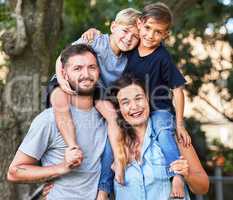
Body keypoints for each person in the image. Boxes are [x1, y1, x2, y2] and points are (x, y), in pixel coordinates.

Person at [70, 2, 191, 197]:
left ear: (165, 35)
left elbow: (178, 89)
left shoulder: (162, 57)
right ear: (140, 24)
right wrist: (95, 33)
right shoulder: (130, 50)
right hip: (132, 112)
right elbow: (117, 39)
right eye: (147, 28)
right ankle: (104, 189)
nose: (150, 35)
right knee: (112, 139)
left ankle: (176, 175)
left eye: (158, 32)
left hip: (158, 110)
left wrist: (180, 124)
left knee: (162, 131)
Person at [48, 8, 141, 184]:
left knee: (112, 116)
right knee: (60, 98)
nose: (129, 38)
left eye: (135, 36)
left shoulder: (127, 59)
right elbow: (63, 57)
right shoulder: (97, 41)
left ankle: (119, 161)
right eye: (125, 31)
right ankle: (72, 146)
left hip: (94, 90)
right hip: (70, 80)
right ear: (114, 27)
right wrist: (62, 79)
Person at [7, 44, 112, 200]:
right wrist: (61, 168)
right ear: (64, 74)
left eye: (92, 67)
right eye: (77, 68)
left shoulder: (104, 117)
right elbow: (15, 172)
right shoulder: (49, 119)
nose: (86, 74)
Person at [110, 73, 209, 200]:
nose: (134, 107)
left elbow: (203, 187)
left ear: (147, 99)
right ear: (119, 108)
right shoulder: (114, 144)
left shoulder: (172, 134)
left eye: (138, 98)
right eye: (125, 102)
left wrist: (187, 174)